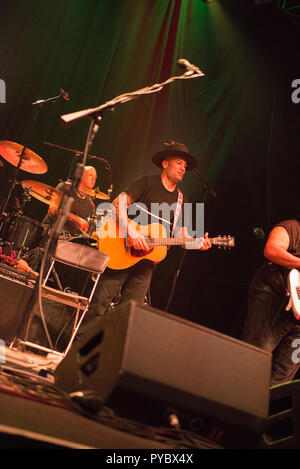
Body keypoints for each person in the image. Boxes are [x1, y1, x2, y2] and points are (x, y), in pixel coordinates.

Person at [83, 141, 211, 328]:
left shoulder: (183, 201)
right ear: (165, 163)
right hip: (122, 250)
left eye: (185, 165)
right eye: (179, 163)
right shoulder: (146, 182)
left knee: (128, 317)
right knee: (98, 306)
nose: (183, 168)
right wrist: (132, 232)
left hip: (146, 265)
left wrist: (196, 243)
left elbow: (182, 238)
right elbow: (117, 205)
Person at [242, 215, 300, 386]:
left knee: (282, 379)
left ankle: (257, 411)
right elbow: (272, 249)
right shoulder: (293, 227)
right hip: (276, 298)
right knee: (253, 361)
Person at [43, 166, 97, 236]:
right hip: (50, 231)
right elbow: (52, 210)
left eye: (95, 178)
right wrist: (77, 219)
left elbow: (83, 227)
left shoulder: (90, 204)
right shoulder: (65, 187)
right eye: (90, 175)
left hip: (68, 239)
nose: (93, 179)